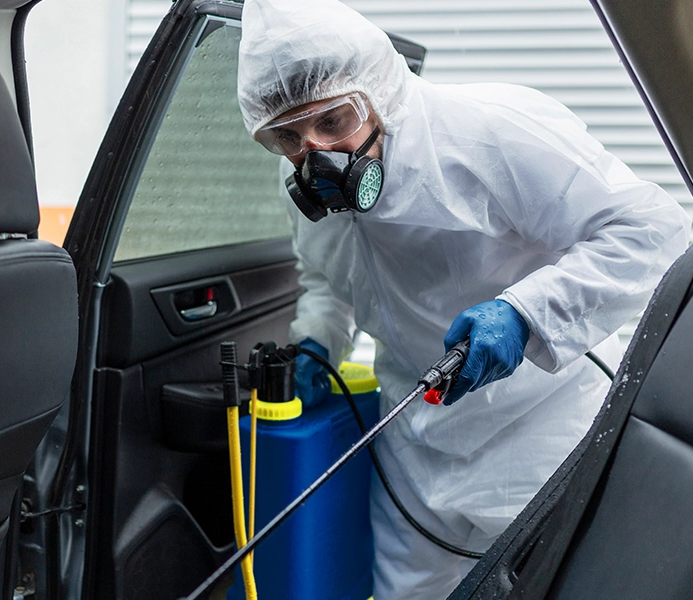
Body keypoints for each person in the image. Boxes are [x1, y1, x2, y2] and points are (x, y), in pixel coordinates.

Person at [235, 0, 692, 598]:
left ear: (378, 88)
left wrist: (526, 313)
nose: (316, 153)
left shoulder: (492, 131)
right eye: (287, 137)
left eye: (333, 120)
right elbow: (328, 277)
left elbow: (653, 231)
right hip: (412, 434)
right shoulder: (309, 178)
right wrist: (318, 337)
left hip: (537, 429)